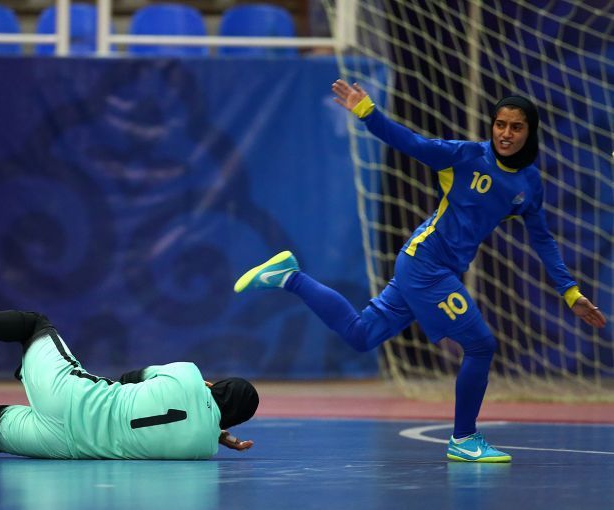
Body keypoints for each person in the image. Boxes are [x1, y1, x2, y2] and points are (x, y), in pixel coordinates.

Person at [234, 79, 607, 463]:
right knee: (481, 345)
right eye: (500, 124)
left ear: (530, 132)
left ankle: (289, 276)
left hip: (432, 268)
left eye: (516, 127)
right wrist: (368, 113)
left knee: (362, 335)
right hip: (427, 265)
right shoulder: (465, 156)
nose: (505, 134)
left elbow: (542, 239)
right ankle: (464, 438)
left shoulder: (529, 183)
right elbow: (411, 143)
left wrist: (570, 292)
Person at [0, 285, 258, 460]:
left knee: (34, 325)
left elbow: (130, 377)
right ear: (231, 421)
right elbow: (195, 426)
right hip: (65, 445)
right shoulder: (201, 448)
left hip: (74, 396)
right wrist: (214, 432)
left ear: (213, 383)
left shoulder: (187, 375)